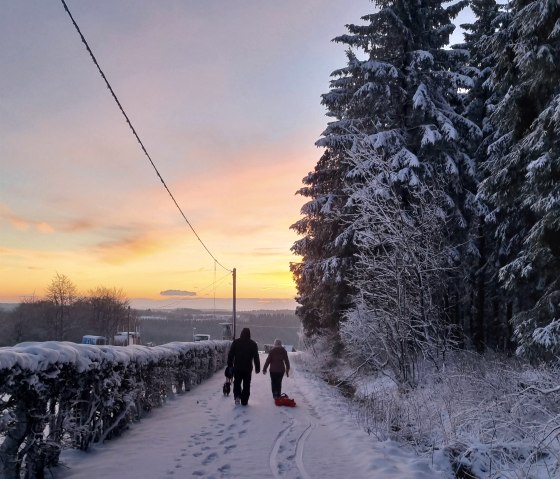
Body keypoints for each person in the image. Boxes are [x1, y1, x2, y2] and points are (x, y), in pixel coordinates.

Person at [227, 327, 260, 406]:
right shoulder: (253, 344)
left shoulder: (236, 342)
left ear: (241, 333)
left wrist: (230, 365)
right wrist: (257, 367)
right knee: (246, 384)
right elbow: (256, 356)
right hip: (248, 368)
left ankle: (237, 396)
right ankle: (244, 400)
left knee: (237, 382)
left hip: (237, 367)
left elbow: (230, 354)